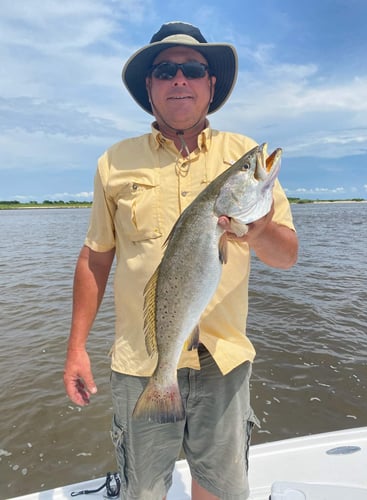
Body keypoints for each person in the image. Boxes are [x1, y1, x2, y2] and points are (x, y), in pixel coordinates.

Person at [64, 21, 298, 500]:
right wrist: (76, 347)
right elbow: (95, 258)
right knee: (144, 489)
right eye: (165, 70)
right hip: (143, 360)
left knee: (219, 488)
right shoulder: (114, 162)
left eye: (193, 69)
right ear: (148, 86)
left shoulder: (242, 155)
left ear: (211, 84)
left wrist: (258, 228)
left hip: (224, 358)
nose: (179, 79)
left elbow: (286, 256)